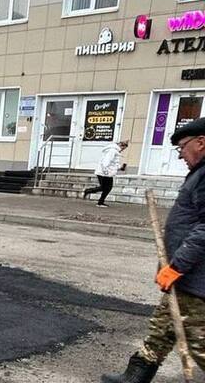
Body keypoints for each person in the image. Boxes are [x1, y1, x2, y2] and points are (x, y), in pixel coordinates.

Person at [101, 118, 205, 383]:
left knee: (198, 339)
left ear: (201, 142)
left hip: (195, 277)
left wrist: (177, 266)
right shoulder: (200, 173)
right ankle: (135, 376)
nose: (180, 154)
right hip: (186, 276)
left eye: (182, 147)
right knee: (162, 328)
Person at [83, 141, 129, 207]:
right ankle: (98, 200)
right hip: (104, 173)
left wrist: (120, 167)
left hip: (106, 172)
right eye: (123, 148)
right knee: (106, 188)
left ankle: (96, 198)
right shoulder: (112, 151)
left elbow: (113, 164)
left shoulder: (114, 151)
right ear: (121, 145)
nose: (123, 150)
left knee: (106, 188)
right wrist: (106, 172)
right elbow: (106, 162)